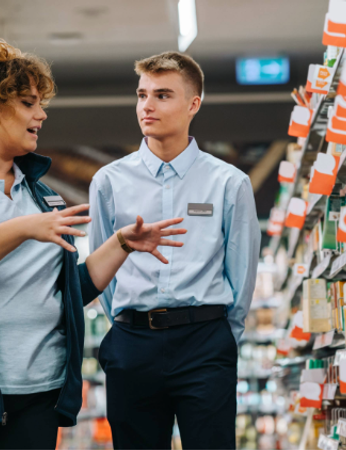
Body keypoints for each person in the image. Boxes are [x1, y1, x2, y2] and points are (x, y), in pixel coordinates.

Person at [0, 38, 186, 449]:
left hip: (37, 396)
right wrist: (21, 228)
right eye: (29, 103)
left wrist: (121, 243)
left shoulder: (43, 196)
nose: (41, 114)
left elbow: (66, 292)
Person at [88, 51, 261, 449]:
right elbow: (101, 269)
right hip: (132, 345)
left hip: (205, 343)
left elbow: (241, 275)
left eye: (162, 95)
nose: (147, 105)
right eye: (141, 94)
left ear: (193, 104)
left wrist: (220, 339)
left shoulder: (228, 183)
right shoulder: (108, 182)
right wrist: (129, 321)